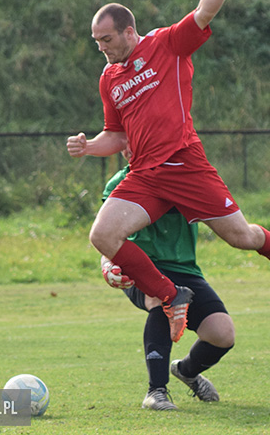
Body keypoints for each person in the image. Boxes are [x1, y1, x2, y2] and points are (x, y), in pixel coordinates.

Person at [67, 0, 270, 344]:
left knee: (240, 238)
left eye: (107, 38)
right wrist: (88, 146)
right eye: (97, 41)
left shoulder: (166, 45)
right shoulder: (109, 78)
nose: (102, 47)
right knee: (102, 236)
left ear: (129, 31)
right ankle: (170, 295)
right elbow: (116, 135)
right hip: (145, 174)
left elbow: (205, 12)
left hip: (184, 164)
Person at [101, 163, 234, 411]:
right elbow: (107, 234)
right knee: (161, 298)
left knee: (222, 334)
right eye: (124, 143)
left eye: (133, 141)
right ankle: (156, 392)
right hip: (142, 266)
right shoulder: (119, 182)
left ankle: (186, 372)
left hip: (185, 269)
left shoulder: (187, 178)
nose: (128, 149)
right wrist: (108, 263)